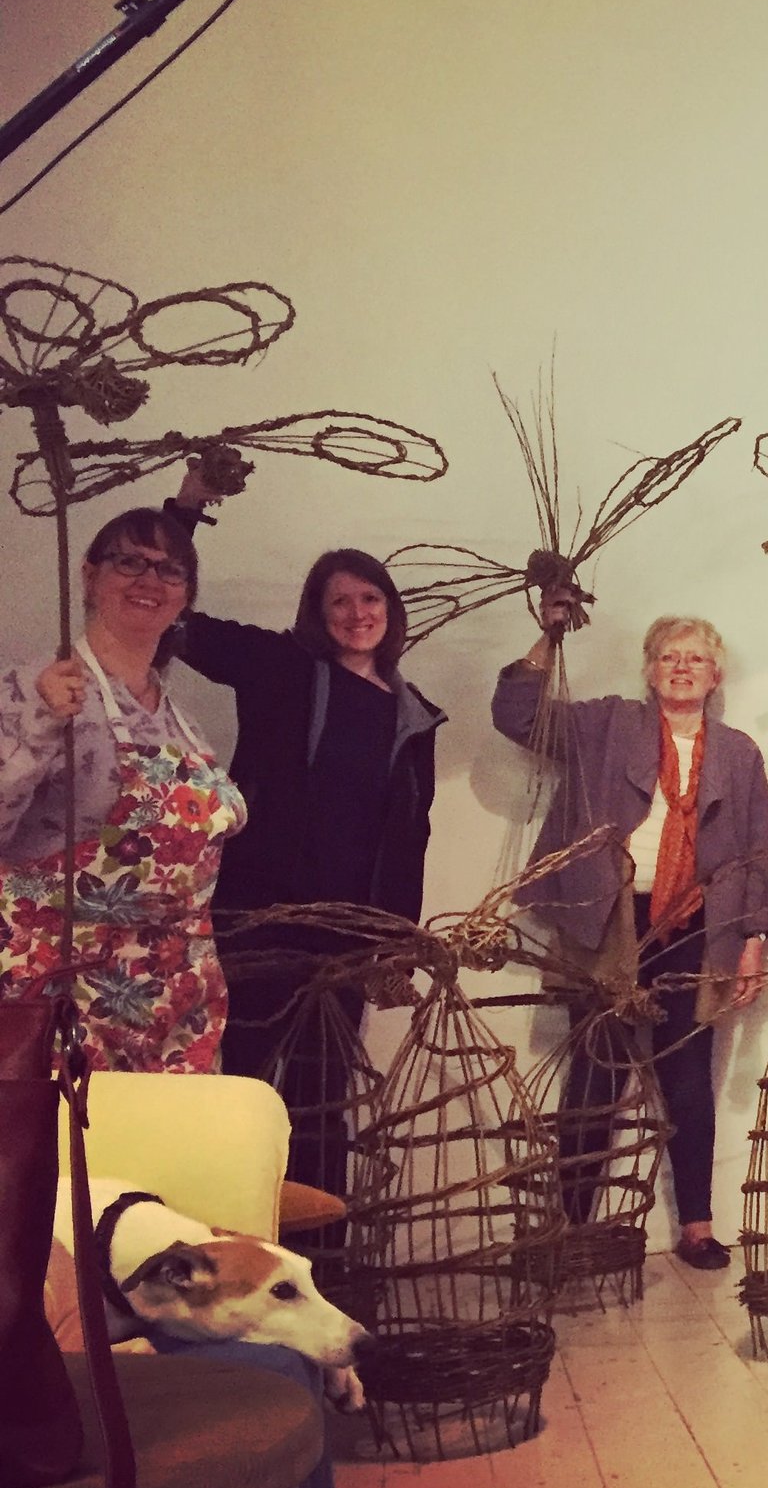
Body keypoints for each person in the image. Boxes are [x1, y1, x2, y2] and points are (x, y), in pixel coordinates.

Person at [162, 464, 445, 1201]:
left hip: (348, 934)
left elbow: (409, 836)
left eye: (369, 597)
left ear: (391, 608)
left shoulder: (415, 715)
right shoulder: (282, 666)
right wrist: (186, 513)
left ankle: (328, 1261)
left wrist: (396, 940)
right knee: (248, 1084)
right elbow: (170, 617)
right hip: (262, 917)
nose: (356, 612)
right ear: (317, 614)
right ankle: (240, 1239)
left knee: (324, 1095)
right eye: (339, 600)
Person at [494, 606, 768, 1270]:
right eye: (669, 656)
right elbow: (519, 715)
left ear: (716, 673)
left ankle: (698, 1227)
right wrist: (550, 634)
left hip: (696, 929)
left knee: (687, 1077)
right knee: (596, 1073)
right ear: (650, 670)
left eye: (696, 657)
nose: (682, 667)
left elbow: (758, 851)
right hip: (609, 924)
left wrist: (754, 942)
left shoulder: (738, 752)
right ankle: (570, 1229)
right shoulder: (607, 722)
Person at [0, 508, 244, 1072]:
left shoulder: (182, 721)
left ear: (185, 597)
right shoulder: (30, 687)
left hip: (170, 1004)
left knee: (162, 1158)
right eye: (129, 561)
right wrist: (39, 722)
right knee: (64, 1158)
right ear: (89, 575)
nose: (150, 580)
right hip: (61, 1000)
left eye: (170, 571)